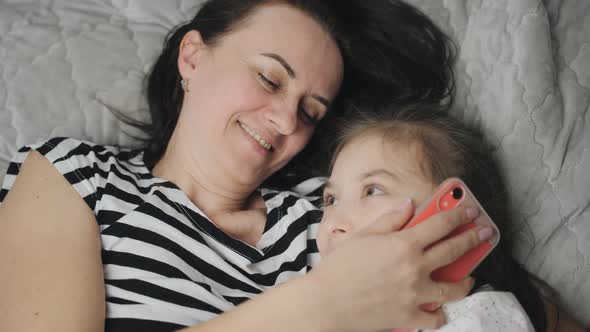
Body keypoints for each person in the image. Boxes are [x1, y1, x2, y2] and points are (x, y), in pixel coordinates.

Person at [0, 0, 583, 331]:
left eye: (311, 109)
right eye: (268, 77)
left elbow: (517, 307)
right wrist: (324, 303)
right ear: (193, 57)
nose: (284, 120)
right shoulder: (77, 177)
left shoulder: (337, 208)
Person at [317, 105, 586, 332]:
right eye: (330, 200)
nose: (332, 223)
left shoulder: (473, 318)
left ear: (453, 221)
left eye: (372, 190)